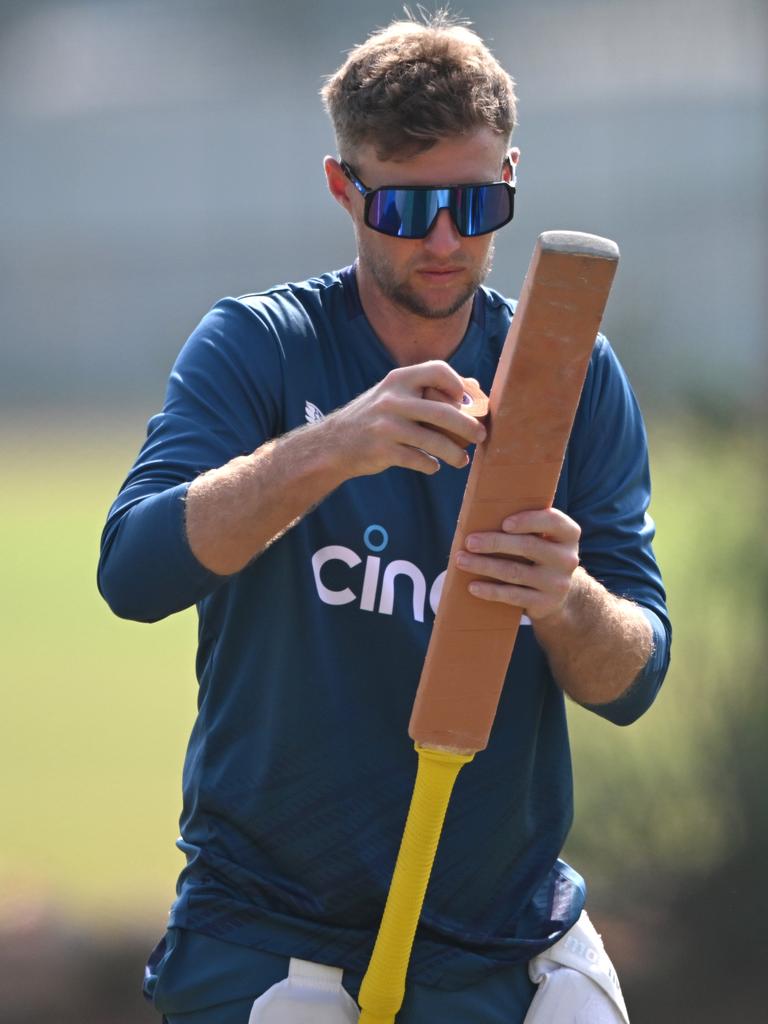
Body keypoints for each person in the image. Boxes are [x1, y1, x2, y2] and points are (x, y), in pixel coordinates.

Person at [98, 12, 670, 1024]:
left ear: (512, 177)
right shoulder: (260, 347)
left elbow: (633, 681)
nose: (447, 238)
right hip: (273, 931)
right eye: (408, 207)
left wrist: (567, 600)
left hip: (507, 938)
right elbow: (134, 573)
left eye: (478, 200)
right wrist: (331, 448)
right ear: (342, 187)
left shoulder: (570, 375)